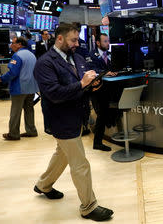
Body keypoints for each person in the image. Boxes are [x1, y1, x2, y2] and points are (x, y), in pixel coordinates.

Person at [33, 23, 113, 221]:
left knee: (62, 154)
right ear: (59, 38)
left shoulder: (75, 57)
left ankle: (43, 185)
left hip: (78, 117)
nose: (77, 43)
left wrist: (91, 85)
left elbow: (81, 86)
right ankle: (88, 206)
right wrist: (81, 84)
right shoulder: (45, 63)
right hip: (61, 119)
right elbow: (54, 94)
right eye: (73, 40)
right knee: (80, 164)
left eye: (77, 39)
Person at [0, 37, 39, 140]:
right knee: (29, 109)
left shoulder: (17, 56)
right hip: (31, 87)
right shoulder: (32, 55)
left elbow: (12, 73)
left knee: (16, 111)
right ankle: (31, 130)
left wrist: (1, 79)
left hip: (20, 87)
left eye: (13, 43)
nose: (11, 45)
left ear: (20, 44)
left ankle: (14, 133)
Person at [86, 33, 117, 151]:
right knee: (101, 115)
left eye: (108, 41)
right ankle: (97, 142)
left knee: (105, 114)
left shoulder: (110, 55)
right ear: (98, 43)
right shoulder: (91, 55)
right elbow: (91, 70)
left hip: (109, 90)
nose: (108, 44)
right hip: (97, 91)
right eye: (105, 41)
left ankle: (105, 133)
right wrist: (104, 72)